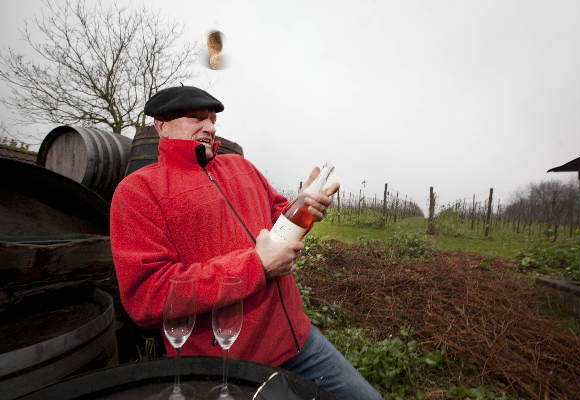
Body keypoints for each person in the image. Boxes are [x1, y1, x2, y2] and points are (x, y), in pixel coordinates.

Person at [110, 86, 383, 400]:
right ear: (161, 125)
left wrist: (305, 207)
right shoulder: (137, 192)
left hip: (299, 342)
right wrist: (256, 266)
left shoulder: (243, 168)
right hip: (227, 367)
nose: (211, 128)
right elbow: (148, 296)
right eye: (197, 118)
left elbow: (280, 223)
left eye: (213, 120)